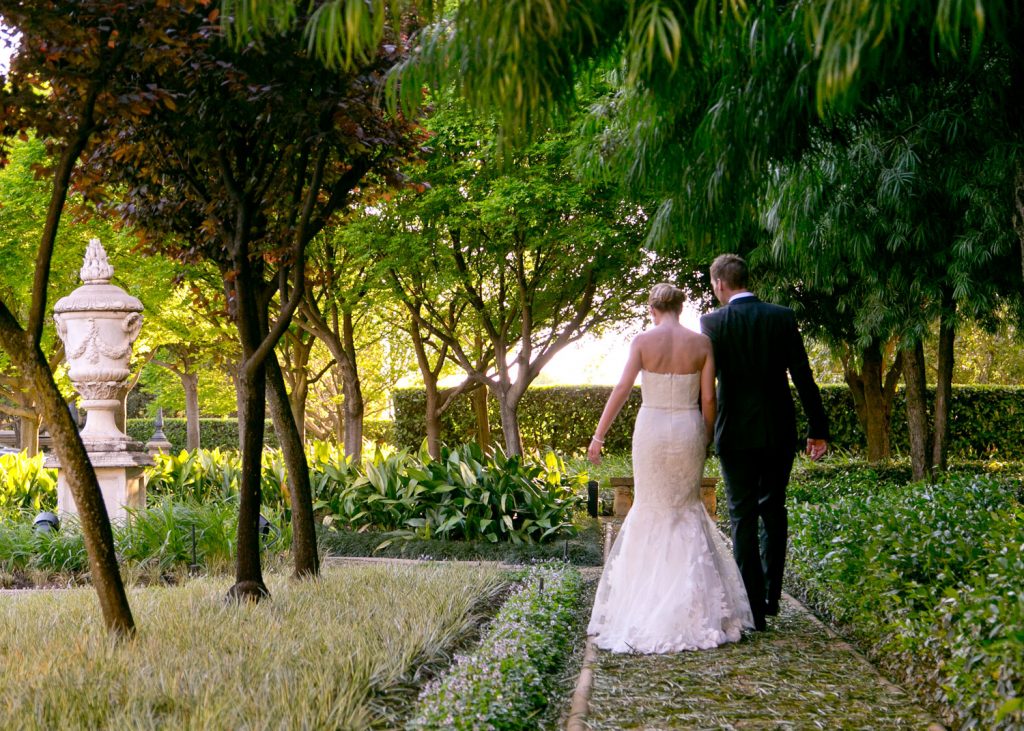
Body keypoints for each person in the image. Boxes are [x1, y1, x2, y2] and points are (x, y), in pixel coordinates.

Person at [586, 283, 754, 653]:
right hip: (689, 429)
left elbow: (622, 389)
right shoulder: (702, 344)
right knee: (685, 507)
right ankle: (696, 608)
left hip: (652, 430)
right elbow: (709, 397)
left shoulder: (642, 342)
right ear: (682, 307)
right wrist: (706, 435)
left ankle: (644, 604)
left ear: (652, 309)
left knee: (651, 507)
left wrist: (599, 436)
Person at [700, 253, 829, 632]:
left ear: (720, 283)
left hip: (735, 433)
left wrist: (699, 431)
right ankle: (772, 596)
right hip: (778, 431)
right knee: (773, 510)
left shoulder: (712, 322)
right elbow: (804, 377)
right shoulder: (781, 317)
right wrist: (817, 428)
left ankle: (752, 608)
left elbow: (706, 386)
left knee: (741, 516)